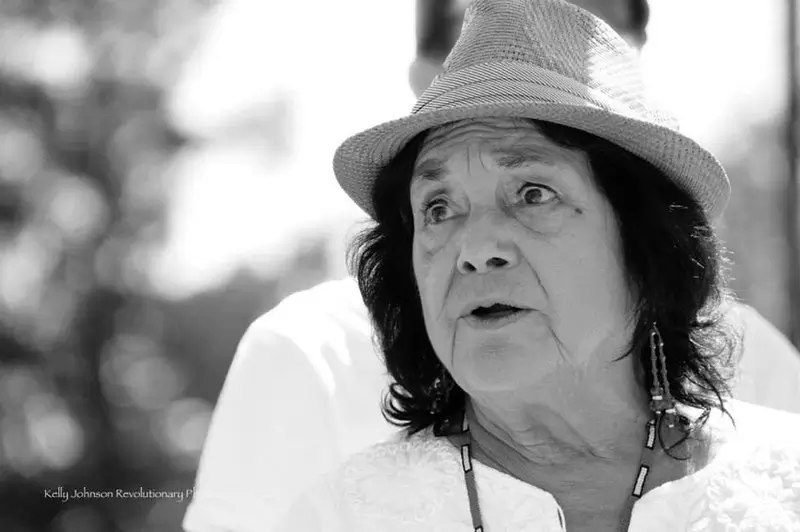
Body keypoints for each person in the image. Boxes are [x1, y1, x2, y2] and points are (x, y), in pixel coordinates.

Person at [182, 1, 800, 531]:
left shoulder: (785, 481)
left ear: (647, 246)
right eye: (438, 208)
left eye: (533, 193)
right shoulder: (339, 516)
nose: (475, 248)